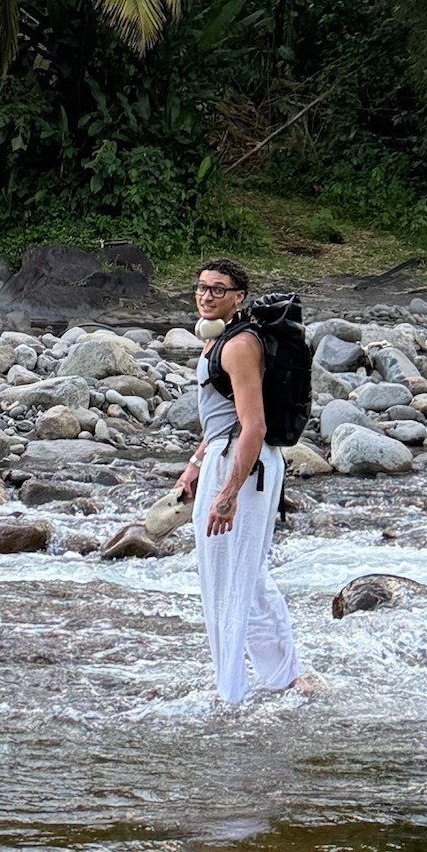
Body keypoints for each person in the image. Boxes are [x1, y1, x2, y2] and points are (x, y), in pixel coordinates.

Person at [174, 258, 315, 704]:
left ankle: (230, 690)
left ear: (239, 297)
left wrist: (228, 494)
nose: (207, 295)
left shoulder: (237, 346)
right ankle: (283, 678)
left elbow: (252, 426)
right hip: (227, 456)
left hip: (242, 464)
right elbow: (221, 418)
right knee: (245, 577)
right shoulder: (221, 340)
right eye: (201, 287)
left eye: (218, 289)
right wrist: (197, 462)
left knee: (228, 579)